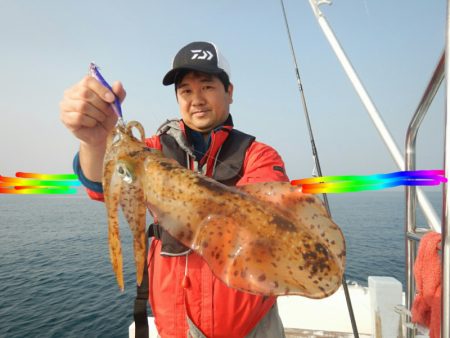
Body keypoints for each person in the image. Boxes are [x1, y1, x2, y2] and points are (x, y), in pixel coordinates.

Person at [60, 41, 289, 338]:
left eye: (207, 87)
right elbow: (103, 184)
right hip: (175, 329)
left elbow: (265, 220)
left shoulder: (258, 155)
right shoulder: (153, 150)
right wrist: (93, 141)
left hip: (251, 329)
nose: (197, 100)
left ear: (229, 92)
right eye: (186, 91)